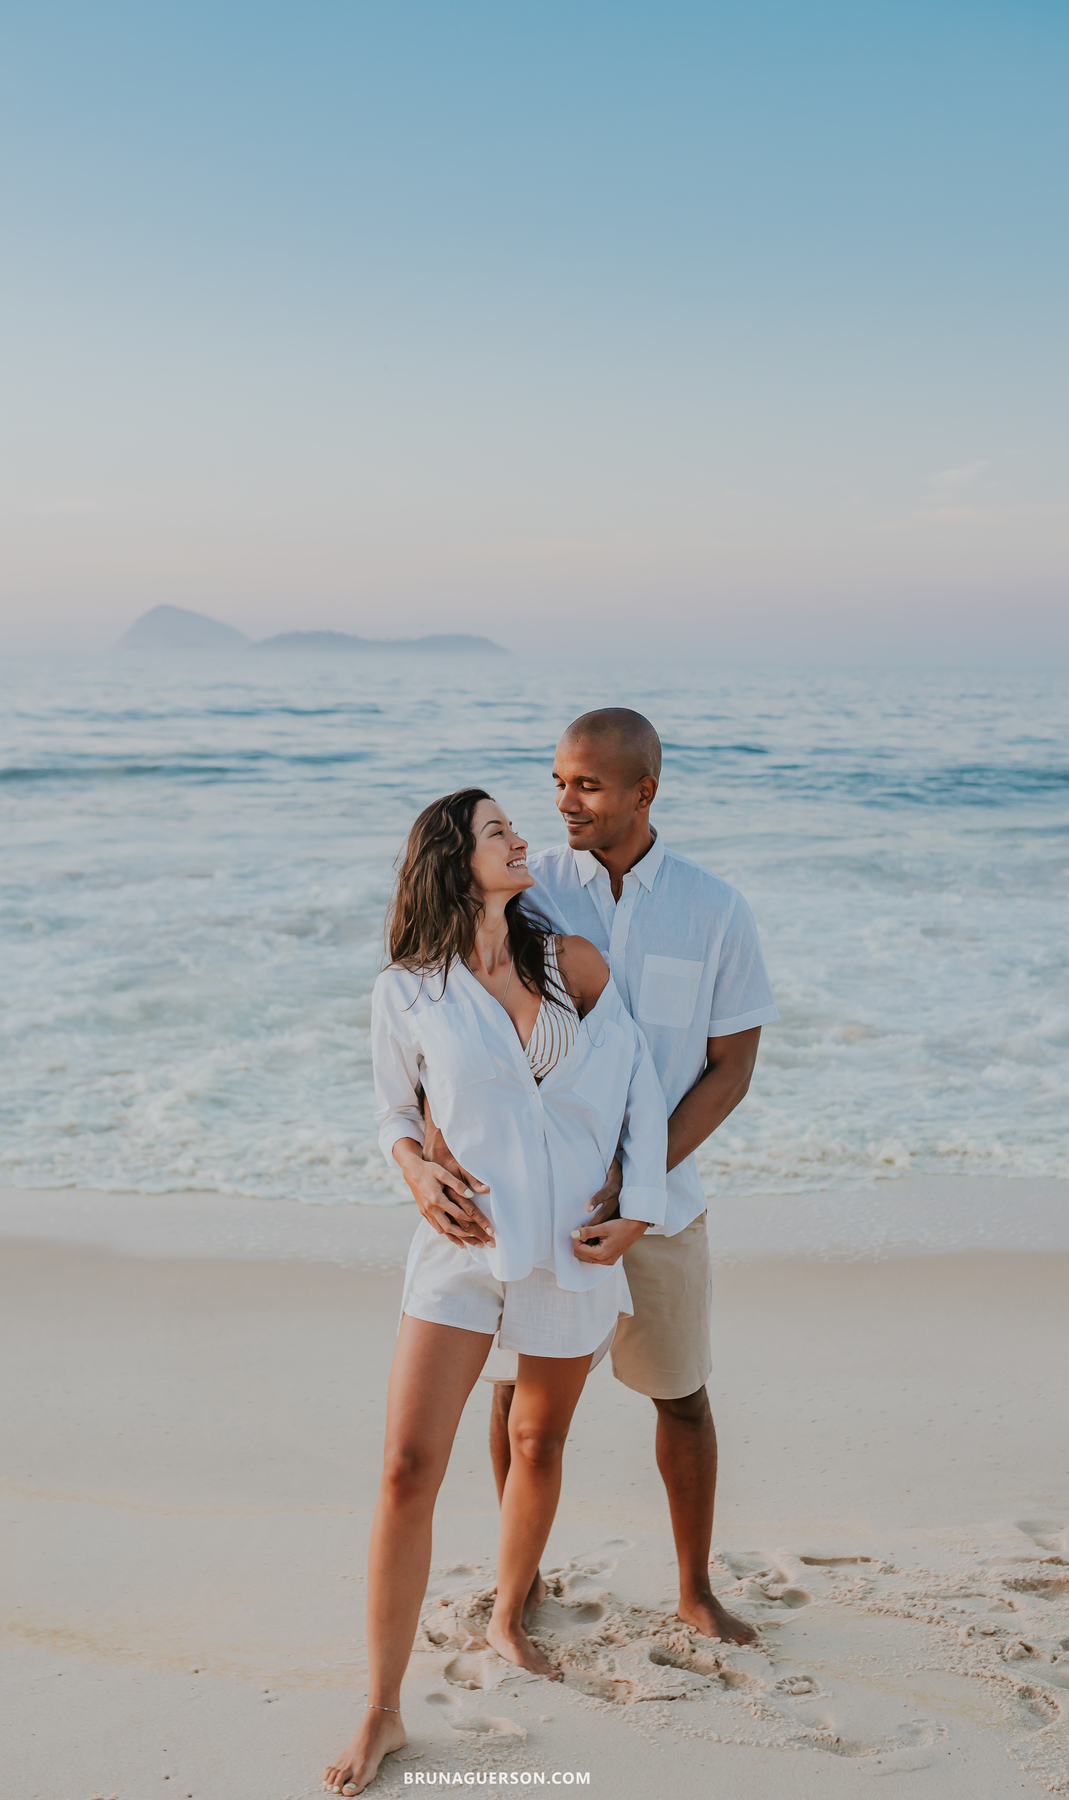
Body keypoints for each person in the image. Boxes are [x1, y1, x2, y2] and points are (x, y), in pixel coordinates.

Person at [323, 787, 667, 1798]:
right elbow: (392, 1106)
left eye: (516, 827)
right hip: (461, 1246)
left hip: (574, 1246)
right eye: (497, 831)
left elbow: (641, 1084)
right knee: (404, 1466)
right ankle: (382, 1711)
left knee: (536, 1441)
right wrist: (413, 1167)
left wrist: (639, 1205)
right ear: (452, 857)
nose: (522, 839)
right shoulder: (409, 989)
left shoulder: (571, 963)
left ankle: (509, 1610)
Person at [419, 710, 778, 1646]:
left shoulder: (714, 908)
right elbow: (453, 1024)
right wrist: (428, 1150)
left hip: (665, 1205)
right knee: (519, 1405)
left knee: (682, 1394)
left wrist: (640, 1178)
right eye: (556, 782)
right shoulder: (531, 897)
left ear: (644, 792)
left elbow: (731, 1066)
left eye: (585, 784)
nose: (563, 802)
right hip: (545, 1208)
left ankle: (695, 1588)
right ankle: (520, 1578)